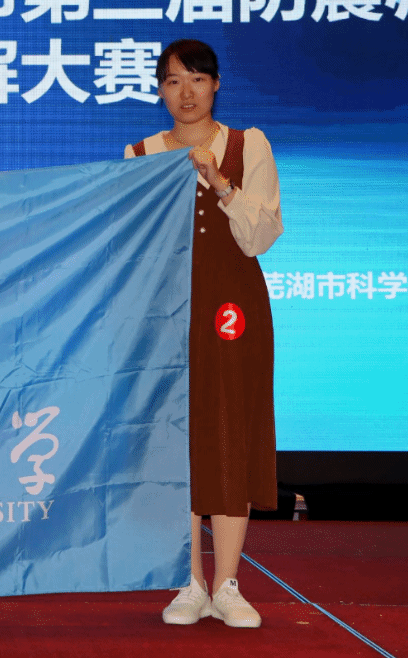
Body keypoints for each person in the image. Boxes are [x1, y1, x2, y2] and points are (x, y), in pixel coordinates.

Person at [124, 39, 283, 629]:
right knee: (176, 441)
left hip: (234, 309)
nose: (185, 92)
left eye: (196, 79)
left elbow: (261, 236)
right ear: (159, 91)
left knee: (231, 429)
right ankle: (189, 581)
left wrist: (220, 183)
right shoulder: (140, 154)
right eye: (172, 81)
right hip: (166, 312)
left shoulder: (248, 145)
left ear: (216, 85)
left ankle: (229, 583)